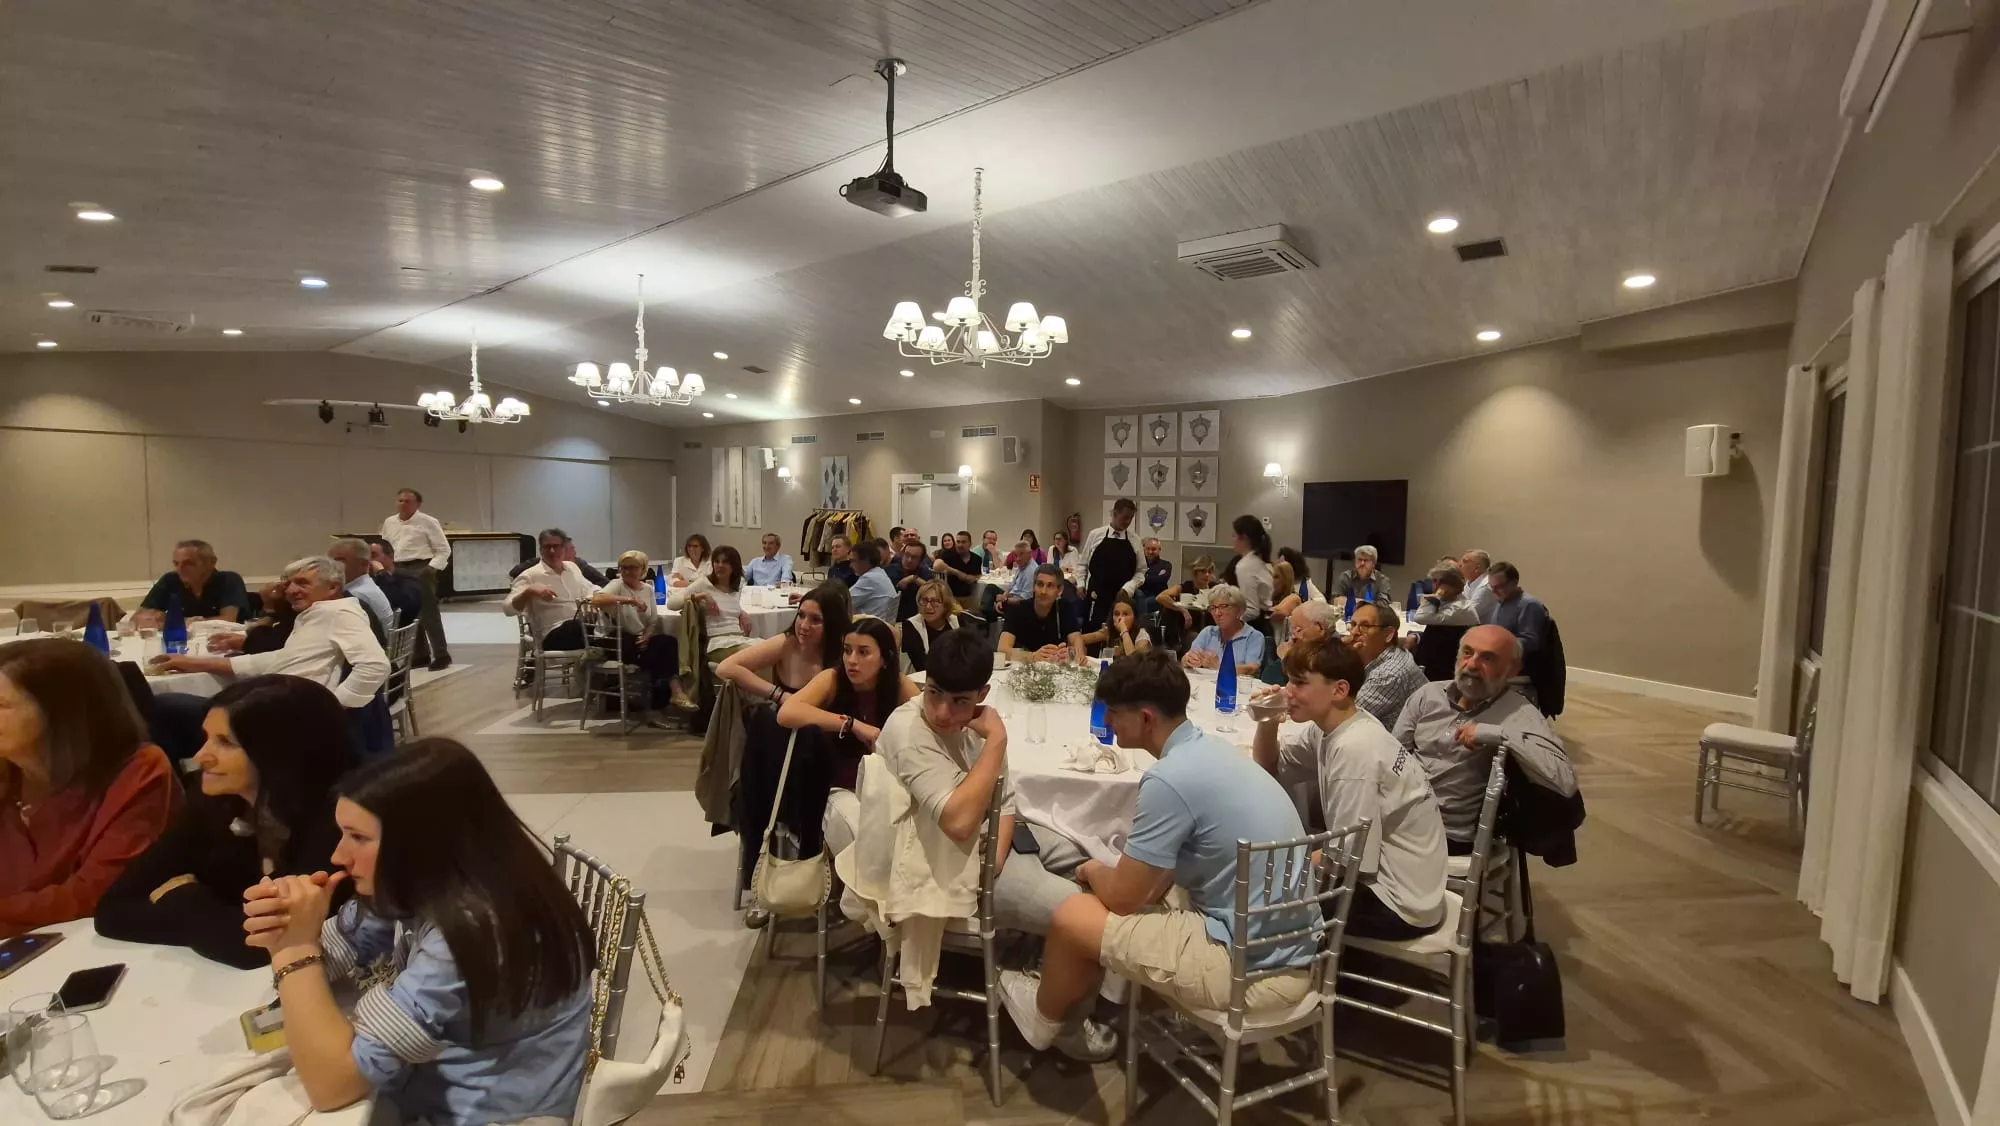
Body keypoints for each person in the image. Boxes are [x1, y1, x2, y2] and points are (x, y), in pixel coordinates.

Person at [241, 738, 595, 1123]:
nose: (338, 856)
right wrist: (288, 925)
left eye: (358, 837)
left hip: (492, 1113)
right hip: (437, 1086)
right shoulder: (430, 882)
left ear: (420, 841)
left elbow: (333, 1085)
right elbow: (337, 953)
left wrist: (293, 951)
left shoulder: (472, 925)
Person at [996, 651, 1316, 1054]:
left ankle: (1042, 1020)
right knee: (1115, 898)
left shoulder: (1169, 778)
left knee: (1076, 912)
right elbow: (1152, 880)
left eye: (1113, 713)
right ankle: (1081, 996)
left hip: (1249, 970)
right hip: (1293, 947)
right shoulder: (1213, 750)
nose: (1107, 721)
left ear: (1145, 718)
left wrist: (1093, 871)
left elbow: (1125, 897)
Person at [845, 629, 1104, 1050]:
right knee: (1090, 923)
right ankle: (1057, 1023)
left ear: (983, 693)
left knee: (1087, 860)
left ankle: (1034, 973)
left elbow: (1005, 801)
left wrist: (996, 860)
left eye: (960, 700)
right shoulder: (910, 731)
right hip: (941, 861)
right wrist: (997, 740)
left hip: (988, 849)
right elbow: (960, 823)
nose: (943, 712)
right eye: (934, 693)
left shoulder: (973, 725)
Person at [94, 675, 358, 967]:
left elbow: (261, 947)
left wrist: (183, 896)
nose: (201, 756)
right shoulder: (214, 802)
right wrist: (219, 925)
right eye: (206, 738)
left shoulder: (343, 823)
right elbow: (112, 912)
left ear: (277, 752)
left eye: (225, 743)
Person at [1250, 639, 1446, 940]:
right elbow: (1270, 764)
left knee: (1254, 893)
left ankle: (1292, 977)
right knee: (1267, 872)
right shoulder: (1339, 725)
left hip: (1397, 903)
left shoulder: (1355, 750)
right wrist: (1267, 720)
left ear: (1339, 690)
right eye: (1289, 680)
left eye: (1299, 683)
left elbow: (1344, 863)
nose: (1286, 691)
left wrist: (1279, 867)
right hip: (1414, 886)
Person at [0, 640, 177, 937]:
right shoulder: (7, 769)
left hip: (90, 946)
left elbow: (96, 893)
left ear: (61, 713)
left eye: (2, 704)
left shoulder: (136, 769)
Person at [1396, 625, 1576, 849]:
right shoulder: (1428, 694)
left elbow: (1564, 781)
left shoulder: (1520, 714)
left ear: (1512, 670)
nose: (1471, 665)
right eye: (1468, 653)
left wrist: (1494, 734)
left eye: (1488, 658)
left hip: (1447, 834)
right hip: (1399, 814)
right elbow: (1394, 752)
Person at [154, 557, 391, 711]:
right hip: (279, 702)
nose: (291, 591)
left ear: (333, 588)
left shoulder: (339, 612)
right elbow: (281, 658)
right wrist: (194, 663)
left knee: (163, 707)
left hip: (288, 713)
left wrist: (334, 708)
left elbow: (375, 665)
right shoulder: (318, 613)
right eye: (289, 584)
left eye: (302, 583)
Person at [779, 618, 920, 857]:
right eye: (847, 651)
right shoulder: (832, 679)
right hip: (832, 786)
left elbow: (926, 723)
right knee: (858, 829)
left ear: (885, 658)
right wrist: (851, 724)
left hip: (882, 786)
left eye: (863, 652)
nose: (852, 660)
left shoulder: (897, 685)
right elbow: (787, 713)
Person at [718, 583, 848, 709]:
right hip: (786, 724)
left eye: (816, 620)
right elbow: (725, 668)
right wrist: (778, 694)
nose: (804, 626)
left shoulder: (846, 652)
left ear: (832, 624)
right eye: (801, 615)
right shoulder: (787, 643)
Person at [590, 551, 691, 713]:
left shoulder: (648, 589)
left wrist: (647, 635)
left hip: (636, 641)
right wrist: (629, 600)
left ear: (642, 569)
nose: (628, 571)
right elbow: (596, 600)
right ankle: (664, 700)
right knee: (658, 656)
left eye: (633, 567)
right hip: (613, 642)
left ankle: (667, 696)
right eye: (624, 568)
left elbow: (652, 620)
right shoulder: (617, 585)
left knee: (668, 643)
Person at [379, 488, 452, 670]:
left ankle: (442, 654)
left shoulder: (428, 522)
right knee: (408, 613)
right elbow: (386, 546)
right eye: (400, 501)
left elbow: (443, 549)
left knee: (428, 614)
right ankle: (420, 655)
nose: (402, 504)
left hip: (421, 567)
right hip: (398, 567)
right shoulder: (390, 522)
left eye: (407, 501)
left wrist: (432, 568)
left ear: (417, 504)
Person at [506, 528, 600, 652]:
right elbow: (508, 609)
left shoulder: (572, 568)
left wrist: (593, 602)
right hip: (552, 635)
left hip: (580, 630)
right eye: (547, 547)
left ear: (564, 548)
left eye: (556, 546)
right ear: (541, 550)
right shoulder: (530, 575)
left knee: (621, 634)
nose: (552, 551)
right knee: (578, 626)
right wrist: (528, 591)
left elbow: (593, 589)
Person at [1344, 601, 1427, 730]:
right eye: (1353, 624)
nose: (1354, 632)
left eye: (1365, 626)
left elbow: (1344, 719)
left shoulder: (1388, 674)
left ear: (1388, 634)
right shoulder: (1375, 656)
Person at [668, 545, 756, 660]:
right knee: (756, 654)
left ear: (734, 566)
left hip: (738, 638)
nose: (720, 565)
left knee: (775, 650)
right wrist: (701, 595)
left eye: (725, 562)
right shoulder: (704, 584)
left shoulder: (738, 585)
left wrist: (741, 612)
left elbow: (727, 604)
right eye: (716, 561)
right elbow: (671, 604)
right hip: (717, 644)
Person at [135, 539, 251, 625]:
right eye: (176, 563)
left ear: (211, 562)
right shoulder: (170, 580)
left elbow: (228, 620)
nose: (179, 569)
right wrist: (185, 622)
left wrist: (170, 620)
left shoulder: (229, 579)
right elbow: (137, 618)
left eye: (188, 564)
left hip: (225, 645)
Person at [997, 565, 1083, 664]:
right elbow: (1002, 650)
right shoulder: (1018, 609)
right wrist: (1033, 656)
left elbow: (1077, 641)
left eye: (1050, 586)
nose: (1043, 591)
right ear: (1033, 586)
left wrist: (1073, 654)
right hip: (1023, 670)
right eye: (1040, 584)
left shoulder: (1065, 608)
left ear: (1060, 590)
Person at [1078, 499, 1140, 632]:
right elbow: (1082, 563)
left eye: (1130, 518)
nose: (1127, 522)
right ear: (1115, 513)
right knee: (1092, 631)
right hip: (1097, 594)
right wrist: (1081, 584)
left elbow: (1141, 571)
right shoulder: (1095, 535)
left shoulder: (1135, 540)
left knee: (1119, 633)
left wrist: (1128, 588)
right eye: (1125, 518)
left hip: (1121, 596)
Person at [1180, 584, 1263, 676]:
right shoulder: (1208, 632)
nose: (1217, 613)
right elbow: (1187, 657)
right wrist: (1188, 660)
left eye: (1224, 606)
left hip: (1237, 688)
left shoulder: (1253, 636)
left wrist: (1219, 666)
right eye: (1213, 608)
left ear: (1240, 610)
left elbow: (1252, 668)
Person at [328, 537, 394, 634]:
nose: (332, 566)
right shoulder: (366, 587)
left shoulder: (357, 595)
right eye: (330, 561)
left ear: (363, 564)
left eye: (340, 561)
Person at [900, 579, 965, 673]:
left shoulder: (957, 621)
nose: (928, 607)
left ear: (946, 605)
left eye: (934, 601)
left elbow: (966, 655)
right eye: (924, 601)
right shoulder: (910, 626)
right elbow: (921, 665)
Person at [1486, 561, 1551, 654]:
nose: (1493, 591)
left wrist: (1499, 642)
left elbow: (1531, 643)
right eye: (1491, 587)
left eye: (1498, 587)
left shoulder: (1529, 605)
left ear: (1514, 583)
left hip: (1521, 663)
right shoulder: (1502, 601)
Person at [1156, 555, 1218, 649]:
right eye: (1203, 571)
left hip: (1212, 629)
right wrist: (1182, 610)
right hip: (1191, 631)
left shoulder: (1215, 588)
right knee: (1196, 640)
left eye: (1209, 572)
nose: (1207, 575)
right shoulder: (1185, 587)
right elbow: (1160, 597)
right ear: (1195, 573)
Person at [366, 539, 424, 630]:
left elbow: (408, 607)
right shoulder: (367, 579)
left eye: (373, 555)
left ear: (391, 557)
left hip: (398, 632)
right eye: (366, 556)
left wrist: (383, 574)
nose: (369, 561)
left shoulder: (407, 578)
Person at [1227, 515, 1275, 621]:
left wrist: (1230, 621)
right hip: (1264, 622)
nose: (1232, 540)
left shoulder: (1245, 566)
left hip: (1254, 625)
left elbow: (1252, 610)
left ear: (1244, 538)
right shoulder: (1261, 562)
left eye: (1234, 535)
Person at [507, 536, 605, 586]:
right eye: (572, 549)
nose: (575, 552)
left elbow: (603, 582)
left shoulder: (579, 565)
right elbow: (514, 573)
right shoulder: (539, 563)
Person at [1076, 593, 1151, 658]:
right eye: (1116, 614)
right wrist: (1081, 654)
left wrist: (1124, 631)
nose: (1120, 618)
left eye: (1125, 614)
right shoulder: (1108, 632)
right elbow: (1078, 639)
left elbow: (1134, 660)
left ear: (1134, 617)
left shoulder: (1141, 635)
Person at [1330, 544, 1394, 610]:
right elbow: (1335, 600)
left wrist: (1352, 602)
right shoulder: (1345, 577)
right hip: (1348, 616)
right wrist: (1366, 602)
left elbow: (1383, 605)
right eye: (1359, 559)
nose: (1362, 563)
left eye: (1366, 560)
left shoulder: (1382, 580)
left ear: (1373, 564)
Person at [847, 540, 898, 620]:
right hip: (880, 625)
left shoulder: (870, 578)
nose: (850, 566)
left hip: (869, 628)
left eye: (853, 561)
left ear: (866, 561)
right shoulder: (880, 573)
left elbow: (843, 602)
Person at [1413, 567, 1480, 627]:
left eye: (1443, 582)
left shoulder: (1460, 607)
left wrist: (1433, 598)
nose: (1437, 586)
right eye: (1434, 581)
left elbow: (1420, 618)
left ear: (1455, 586)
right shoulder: (1447, 600)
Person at [889, 539, 935, 621]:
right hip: (893, 617)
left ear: (921, 560)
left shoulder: (924, 572)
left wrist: (914, 579)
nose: (909, 560)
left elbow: (935, 590)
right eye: (907, 555)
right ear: (902, 554)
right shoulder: (890, 570)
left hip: (918, 618)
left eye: (914, 557)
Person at [933, 531, 981, 608]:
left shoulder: (977, 559)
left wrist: (971, 578)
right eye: (958, 542)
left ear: (970, 543)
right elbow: (936, 565)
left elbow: (977, 576)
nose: (960, 545)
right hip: (950, 596)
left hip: (969, 597)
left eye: (963, 542)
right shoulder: (948, 554)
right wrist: (958, 573)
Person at [1122, 537, 1174, 605]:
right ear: (1143, 549)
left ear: (1159, 549)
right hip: (1138, 594)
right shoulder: (1137, 563)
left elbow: (1162, 580)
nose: (1150, 552)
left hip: (1157, 595)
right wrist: (1151, 578)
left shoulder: (1166, 565)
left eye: (1154, 549)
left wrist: (1142, 578)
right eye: (1148, 549)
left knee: (1143, 602)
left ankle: (1141, 615)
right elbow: (1130, 578)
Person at [1460, 548, 1497, 623]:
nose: (1460, 564)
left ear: (1476, 568)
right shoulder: (1469, 582)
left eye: (1465, 561)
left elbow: (1468, 615)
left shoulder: (1486, 585)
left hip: (1486, 631)